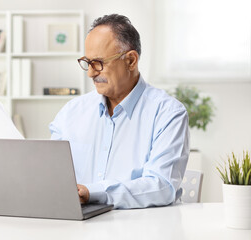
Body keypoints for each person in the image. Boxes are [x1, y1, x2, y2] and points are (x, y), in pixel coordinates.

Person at [49, 14, 189, 209]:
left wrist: (94, 193)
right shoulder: (71, 112)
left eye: (98, 63)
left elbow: (161, 186)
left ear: (131, 60)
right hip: (78, 227)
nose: (90, 73)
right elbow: (50, 173)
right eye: (87, 63)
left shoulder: (168, 113)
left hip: (142, 228)